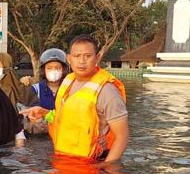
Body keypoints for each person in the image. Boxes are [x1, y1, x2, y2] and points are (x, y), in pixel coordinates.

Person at [23, 34, 129, 163]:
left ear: (97, 58)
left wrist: (106, 167)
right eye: (77, 56)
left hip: (92, 163)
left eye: (87, 56)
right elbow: (65, 117)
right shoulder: (68, 82)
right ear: (69, 59)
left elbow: (122, 136)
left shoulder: (107, 91)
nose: (82, 61)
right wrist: (44, 113)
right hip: (62, 158)